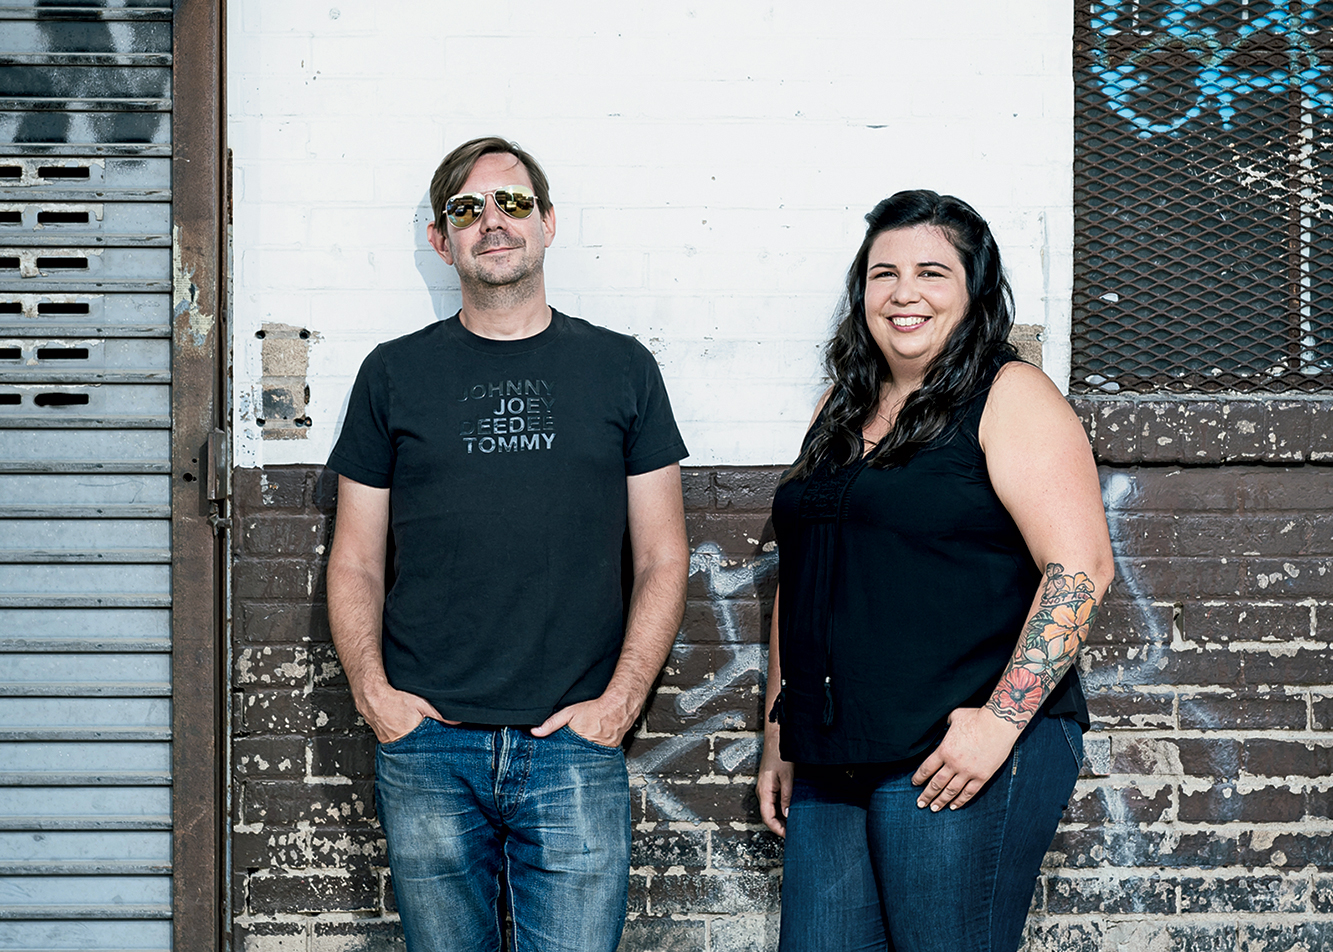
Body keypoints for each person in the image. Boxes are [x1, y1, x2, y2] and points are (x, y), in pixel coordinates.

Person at [325, 136, 690, 952]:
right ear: (440, 239)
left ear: (549, 223)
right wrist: (375, 698)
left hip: (573, 747)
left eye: (513, 203)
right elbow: (352, 560)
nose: (493, 222)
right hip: (428, 748)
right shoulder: (391, 375)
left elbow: (665, 558)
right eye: (467, 209)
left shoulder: (622, 369)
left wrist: (620, 704)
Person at [756, 190, 1114, 952]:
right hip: (830, 752)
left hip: (955, 747)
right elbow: (802, 578)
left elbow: (1079, 569)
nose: (903, 293)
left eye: (930, 272)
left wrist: (998, 724)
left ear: (973, 290)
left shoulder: (1010, 396)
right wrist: (776, 736)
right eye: (882, 273)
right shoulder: (837, 409)